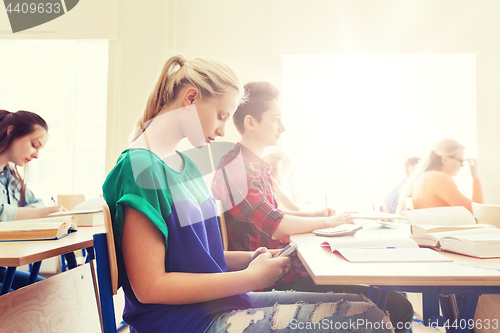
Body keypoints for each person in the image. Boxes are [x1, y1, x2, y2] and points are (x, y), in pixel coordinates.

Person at [102, 56, 393, 333]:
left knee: (365, 308)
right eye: (220, 115)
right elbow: (150, 286)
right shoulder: (139, 169)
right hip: (183, 322)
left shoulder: (185, 165)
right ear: (191, 98)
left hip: (210, 308)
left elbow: (199, 259)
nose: (222, 129)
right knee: (368, 320)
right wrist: (249, 278)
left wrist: (249, 259)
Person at [211, 81, 414, 333]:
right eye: (276, 119)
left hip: (283, 269)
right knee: (397, 306)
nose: (282, 128)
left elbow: (273, 213)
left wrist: (315, 215)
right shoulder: (237, 167)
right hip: (272, 280)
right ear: (251, 122)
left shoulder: (253, 165)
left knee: (386, 291)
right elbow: (275, 225)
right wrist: (329, 222)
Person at [0, 110, 66, 291]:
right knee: (16, 302)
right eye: (34, 145)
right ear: (11, 131)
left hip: (1, 267)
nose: (36, 155)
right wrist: (38, 213)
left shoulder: (9, 177)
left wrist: (37, 211)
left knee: (44, 289)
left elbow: (36, 202)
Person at [397, 138, 483, 214]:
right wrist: (475, 176)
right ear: (445, 160)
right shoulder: (438, 179)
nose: (462, 165)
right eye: (460, 160)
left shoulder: (424, 177)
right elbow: (478, 212)